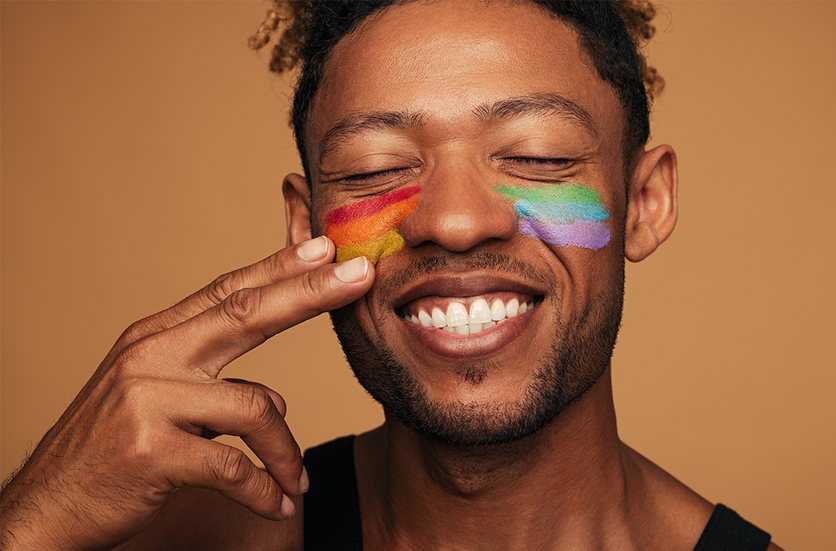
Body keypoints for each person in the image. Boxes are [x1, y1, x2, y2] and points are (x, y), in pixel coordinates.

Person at [0, 1, 781, 549]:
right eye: (376, 170)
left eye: (536, 155)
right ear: (307, 225)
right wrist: (37, 520)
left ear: (644, 202)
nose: (453, 220)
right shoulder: (224, 534)